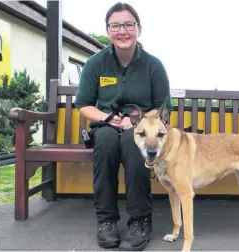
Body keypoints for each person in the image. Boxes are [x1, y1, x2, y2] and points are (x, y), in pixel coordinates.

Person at [74, 2, 173, 251]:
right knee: (106, 143)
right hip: (106, 124)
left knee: (132, 142)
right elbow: (84, 104)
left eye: (129, 25)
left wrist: (137, 121)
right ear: (108, 30)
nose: (123, 31)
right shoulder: (95, 64)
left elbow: (164, 106)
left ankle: (140, 220)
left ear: (139, 29)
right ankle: (106, 220)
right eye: (116, 25)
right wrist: (108, 118)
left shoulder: (154, 65)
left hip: (142, 127)